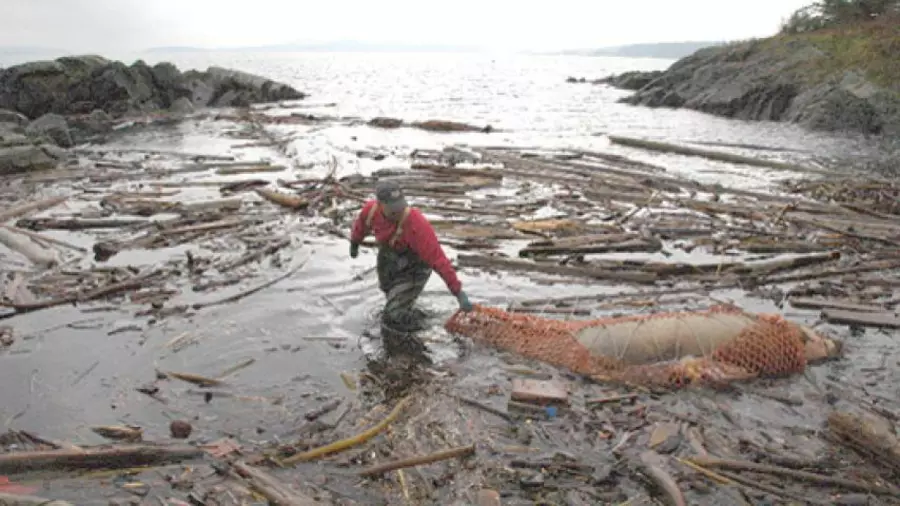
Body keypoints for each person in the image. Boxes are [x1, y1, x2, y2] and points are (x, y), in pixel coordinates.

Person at [349, 180, 473, 338]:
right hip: (389, 257)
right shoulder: (371, 211)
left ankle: (422, 332)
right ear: (381, 204)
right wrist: (354, 243)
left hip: (416, 267)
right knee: (388, 292)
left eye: (400, 206)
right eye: (393, 209)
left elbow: (439, 260)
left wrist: (458, 292)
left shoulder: (416, 224)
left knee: (392, 315)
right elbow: (360, 225)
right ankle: (408, 313)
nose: (398, 211)